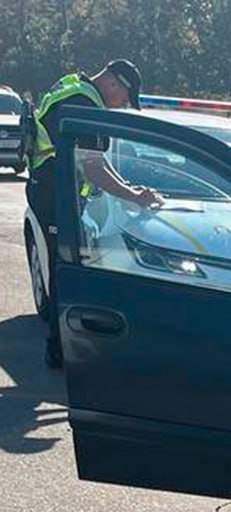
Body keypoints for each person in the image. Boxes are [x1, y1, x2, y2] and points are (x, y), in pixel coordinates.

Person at [27, 60, 160, 368]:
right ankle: (59, 348)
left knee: (69, 263)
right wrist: (136, 197)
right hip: (52, 193)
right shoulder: (84, 104)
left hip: (50, 188)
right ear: (114, 83)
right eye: (125, 97)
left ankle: (66, 343)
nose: (123, 105)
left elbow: (94, 157)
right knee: (65, 267)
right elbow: (93, 170)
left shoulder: (77, 87)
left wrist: (129, 187)